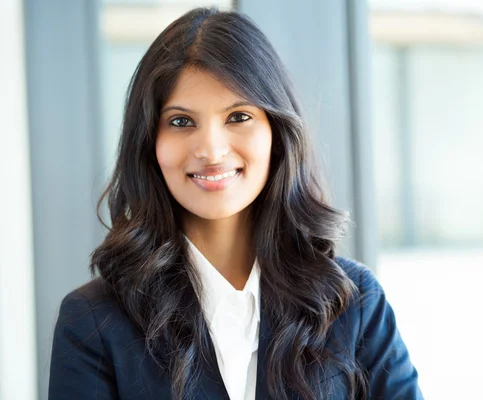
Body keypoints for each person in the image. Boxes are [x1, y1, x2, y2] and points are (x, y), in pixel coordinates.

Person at [48, 7, 423, 400]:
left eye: (238, 116)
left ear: (276, 133)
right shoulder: (93, 321)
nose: (211, 150)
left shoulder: (354, 301)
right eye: (180, 121)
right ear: (148, 143)